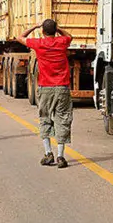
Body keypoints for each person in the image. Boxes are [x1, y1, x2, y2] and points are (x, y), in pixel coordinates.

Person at [16, 19, 73, 169]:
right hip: (62, 87)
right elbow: (69, 36)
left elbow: (19, 37)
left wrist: (34, 26)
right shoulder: (62, 42)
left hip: (45, 87)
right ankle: (61, 156)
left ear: (42, 31)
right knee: (62, 118)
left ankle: (48, 154)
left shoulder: (39, 43)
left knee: (45, 118)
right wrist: (59, 29)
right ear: (55, 31)